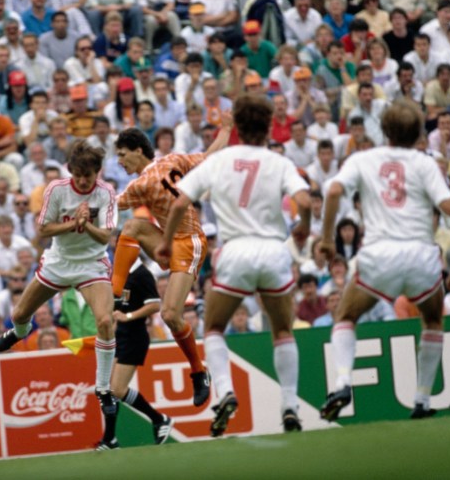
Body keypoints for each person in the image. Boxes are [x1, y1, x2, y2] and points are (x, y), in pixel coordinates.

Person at [319, 101, 450, 422]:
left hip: (379, 256)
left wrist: (325, 239)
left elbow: (334, 191)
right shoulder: (424, 164)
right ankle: (421, 400)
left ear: (385, 130)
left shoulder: (362, 158)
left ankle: (343, 382)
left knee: (346, 315)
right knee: (433, 321)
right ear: (418, 133)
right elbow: (448, 206)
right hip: (421, 256)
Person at [158, 94, 310, 436]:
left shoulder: (220, 161)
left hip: (236, 252)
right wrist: (306, 229)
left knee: (213, 328)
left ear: (238, 126)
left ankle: (225, 391)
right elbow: (304, 200)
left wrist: (167, 242)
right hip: (273, 251)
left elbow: (181, 201)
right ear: (269, 127)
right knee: (282, 330)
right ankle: (290, 407)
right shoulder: (279, 162)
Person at [0, 141, 120, 441]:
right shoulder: (57, 190)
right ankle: (20, 333)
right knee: (20, 314)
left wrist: (85, 225)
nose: (84, 180)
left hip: (91, 264)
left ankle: (103, 388)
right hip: (58, 263)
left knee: (105, 321)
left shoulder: (106, 193)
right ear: (70, 171)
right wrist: (74, 223)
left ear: (97, 172)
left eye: (89, 175)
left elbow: (106, 234)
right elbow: (42, 229)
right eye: (79, 175)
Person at [110, 117, 232, 408]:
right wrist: (226, 130)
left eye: (122, 154)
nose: (120, 161)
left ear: (138, 150)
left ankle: (199, 372)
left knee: (170, 314)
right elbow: (210, 155)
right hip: (170, 242)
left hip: (189, 243)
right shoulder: (175, 159)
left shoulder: (142, 184)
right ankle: (115, 293)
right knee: (132, 229)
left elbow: (110, 204)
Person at [100, 257, 171, 450]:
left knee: (117, 389)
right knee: (107, 389)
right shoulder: (121, 273)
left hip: (135, 336)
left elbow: (155, 305)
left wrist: (128, 316)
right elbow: (120, 307)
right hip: (121, 335)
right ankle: (109, 439)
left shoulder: (142, 274)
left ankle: (159, 419)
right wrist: (113, 326)